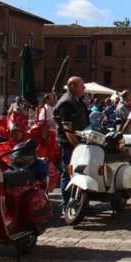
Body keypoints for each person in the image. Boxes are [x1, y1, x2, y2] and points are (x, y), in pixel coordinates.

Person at [54, 76, 91, 214]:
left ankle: (80, 204)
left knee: (81, 172)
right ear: (72, 86)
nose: (84, 88)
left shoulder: (77, 101)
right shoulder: (66, 103)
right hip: (69, 144)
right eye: (82, 86)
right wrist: (77, 146)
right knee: (69, 172)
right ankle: (66, 206)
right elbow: (67, 128)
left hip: (81, 142)